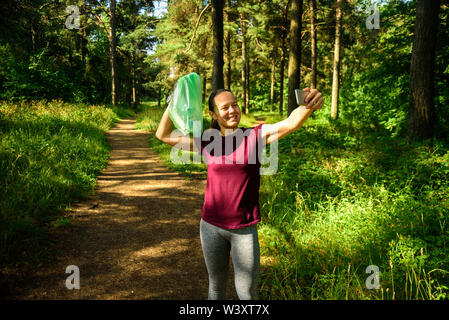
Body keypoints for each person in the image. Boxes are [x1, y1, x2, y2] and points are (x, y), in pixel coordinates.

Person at [155, 88, 323, 300]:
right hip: (211, 227)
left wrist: (309, 105)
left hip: (244, 229)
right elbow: (162, 135)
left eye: (234, 104)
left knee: (246, 294)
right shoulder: (207, 141)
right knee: (216, 288)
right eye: (224, 107)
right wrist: (173, 104)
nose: (232, 110)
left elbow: (290, 123)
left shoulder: (254, 136)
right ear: (213, 115)